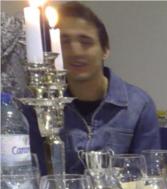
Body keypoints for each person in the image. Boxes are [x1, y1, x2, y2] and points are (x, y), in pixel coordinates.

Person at [29, 1, 160, 174]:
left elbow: (149, 175)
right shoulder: (40, 106)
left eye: (86, 42)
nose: (75, 52)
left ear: (105, 50)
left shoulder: (138, 105)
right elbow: (34, 173)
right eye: (64, 42)